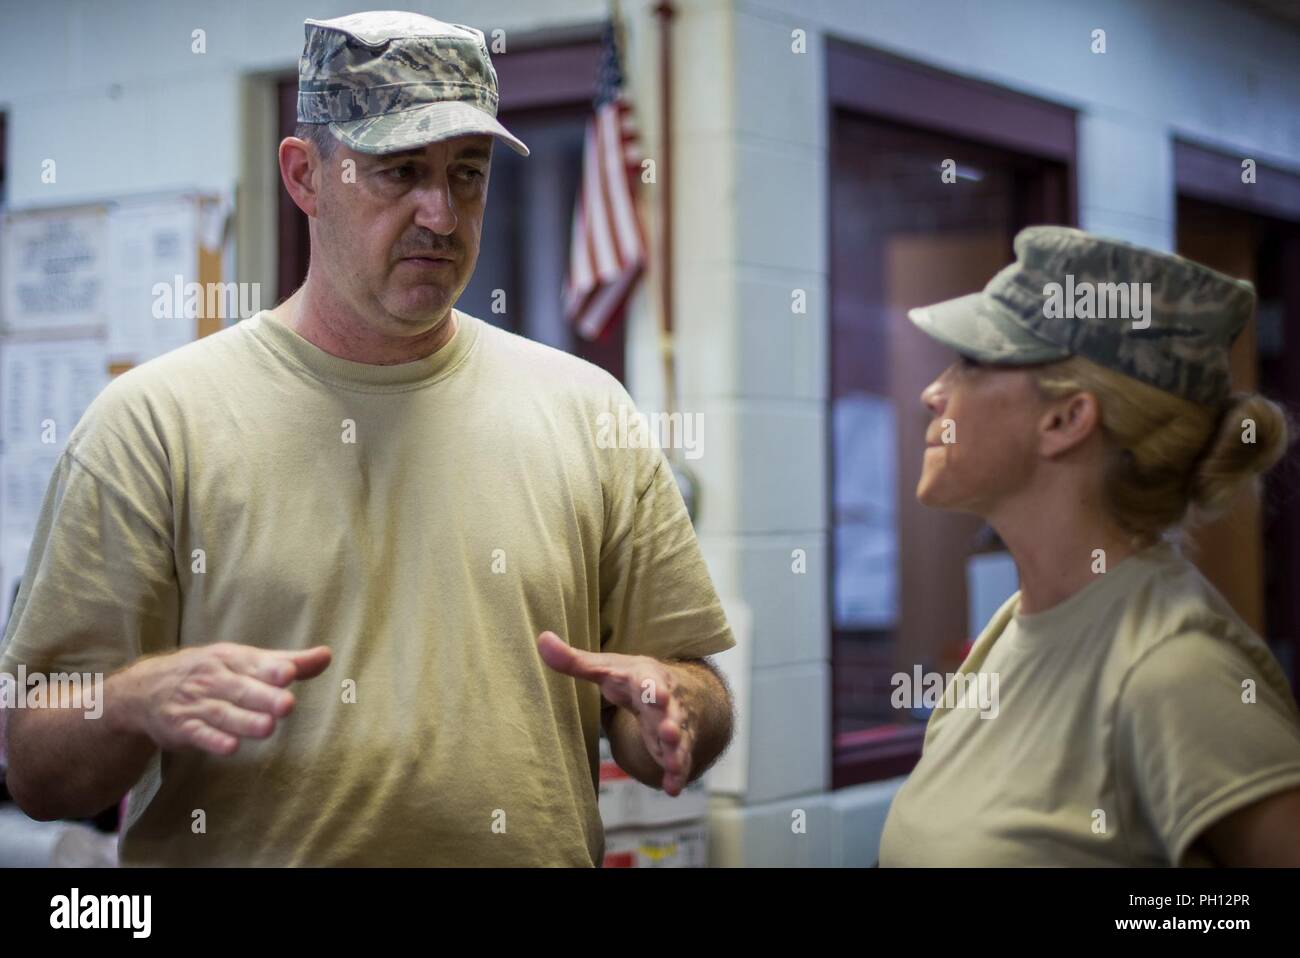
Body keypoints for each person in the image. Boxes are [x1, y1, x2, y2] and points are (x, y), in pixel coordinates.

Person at [0, 11, 734, 867]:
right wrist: (130, 700)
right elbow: (37, 766)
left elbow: (693, 691)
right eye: (398, 172)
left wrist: (672, 713)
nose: (442, 213)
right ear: (305, 175)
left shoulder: (590, 410)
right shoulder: (152, 426)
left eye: (468, 174)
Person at [879, 226, 1300, 866]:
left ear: (1066, 420)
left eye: (972, 361)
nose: (933, 391)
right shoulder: (1012, 630)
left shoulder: (1174, 667)